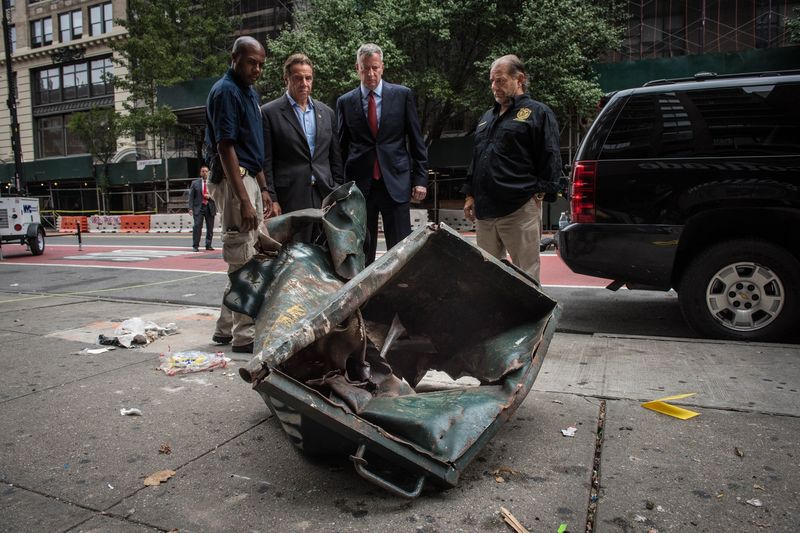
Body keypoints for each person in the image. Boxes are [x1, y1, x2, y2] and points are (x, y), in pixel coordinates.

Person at [462, 54, 562, 283]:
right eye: (491, 81)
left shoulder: (538, 112)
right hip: (485, 211)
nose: (494, 86)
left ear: (519, 79)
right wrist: (469, 194)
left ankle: (529, 319)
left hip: (518, 208)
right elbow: (476, 158)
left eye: (500, 80)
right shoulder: (487, 117)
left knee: (525, 274)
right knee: (487, 275)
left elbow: (550, 154)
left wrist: (540, 192)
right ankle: (495, 319)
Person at [204, 36, 273, 354]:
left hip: (250, 179)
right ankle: (244, 336)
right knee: (244, 258)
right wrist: (244, 198)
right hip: (236, 181)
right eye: (251, 62)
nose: (256, 68)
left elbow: (251, 146)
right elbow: (225, 146)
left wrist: (263, 187)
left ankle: (224, 329)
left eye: (260, 63)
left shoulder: (248, 92)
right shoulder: (226, 91)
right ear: (234, 58)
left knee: (245, 255)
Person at [336, 43, 428, 265]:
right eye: (365, 68)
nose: (371, 74)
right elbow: (340, 147)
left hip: (395, 183)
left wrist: (420, 179)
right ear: (357, 68)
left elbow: (416, 140)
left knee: (401, 250)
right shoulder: (345, 102)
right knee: (361, 249)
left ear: (382, 67)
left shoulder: (402, 95)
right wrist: (340, 187)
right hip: (359, 188)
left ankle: (400, 294)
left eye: (375, 67)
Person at [261, 53, 343, 243]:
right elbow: (266, 161)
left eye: (308, 78)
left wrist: (337, 190)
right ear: (286, 79)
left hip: (325, 196)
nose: (304, 83)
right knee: (295, 256)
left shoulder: (327, 113)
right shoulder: (269, 113)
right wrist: (272, 198)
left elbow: (335, 158)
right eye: (298, 78)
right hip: (290, 197)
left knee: (327, 255)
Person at [187, 165, 217, 251]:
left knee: (210, 227)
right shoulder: (195, 183)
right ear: (200, 173)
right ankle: (195, 246)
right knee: (197, 226)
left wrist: (210, 196)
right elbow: (191, 197)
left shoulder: (212, 183)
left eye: (206, 171)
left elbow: (217, 195)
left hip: (210, 207)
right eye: (203, 171)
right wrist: (190, 208)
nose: (205, 173)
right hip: (198, 208)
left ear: (209, 173)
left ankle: (208, 245)